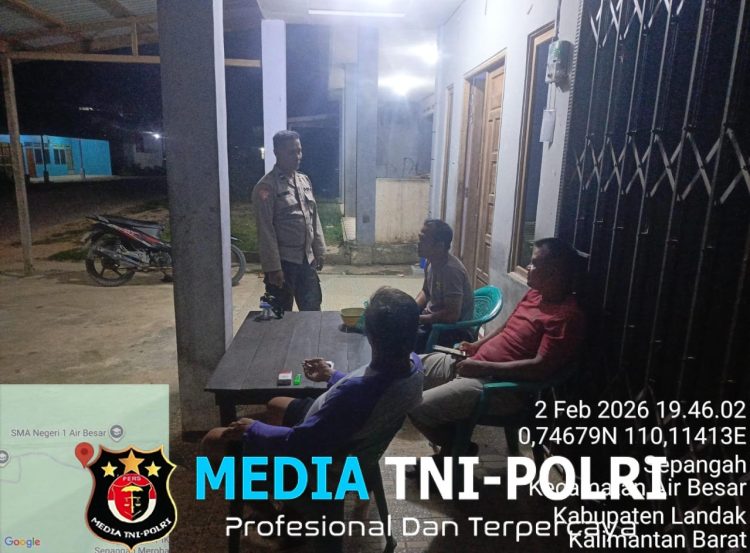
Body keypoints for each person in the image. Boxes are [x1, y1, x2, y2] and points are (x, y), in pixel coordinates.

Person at [202, 286, 423, 460]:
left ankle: (257, 497)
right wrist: (332, 375)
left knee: (213, 439)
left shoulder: (353, 393)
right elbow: (368, 389)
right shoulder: (414, 364)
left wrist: (253, 429)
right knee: (275, 404)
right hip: (343, 428)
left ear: (370, 334)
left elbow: (300, 443)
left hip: (321, 461)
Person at [409, 237, 585, 453]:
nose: (528, 267)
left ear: (553, 272)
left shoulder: (565, 317)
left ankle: (458, 450)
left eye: (534, 263)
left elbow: (539, 368)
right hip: (473, 364)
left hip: (499, 389)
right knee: (408, 367)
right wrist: (477, 345)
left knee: (416, 407)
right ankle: (453, 448)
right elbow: (507, 326)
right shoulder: (534, 295)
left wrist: (484, 367)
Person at [252, 130, 326, 311]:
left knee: (312, 313)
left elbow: (313, 218)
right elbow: (265, 230)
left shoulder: (304, 181)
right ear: (277, 153)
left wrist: (320, 250)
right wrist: (273, 267)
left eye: (299, 151)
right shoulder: (266, 186)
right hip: (284, 263)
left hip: (306, 261)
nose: (298, 156)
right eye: (291, 152)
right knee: (280, 316)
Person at [414, 219, 474, 353]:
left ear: (439, 246)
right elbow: (425, 292)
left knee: (402, 340)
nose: (418, 243)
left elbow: (452, 315)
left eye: (423, 240)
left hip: (452, 330)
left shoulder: (451, 271)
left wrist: (421, 319)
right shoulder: (430, 262)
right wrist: (412, 307)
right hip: (432, 321)